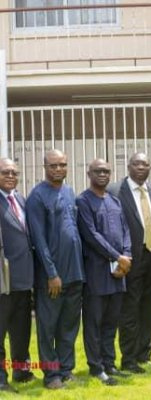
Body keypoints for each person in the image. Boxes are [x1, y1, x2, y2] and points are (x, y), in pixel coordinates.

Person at [26, 149, 85, 389]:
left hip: (74, 274)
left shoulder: (69, 192)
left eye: (62, 164)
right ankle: (51, 375)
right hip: (52, 278)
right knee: (48, 327)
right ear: (44, 167)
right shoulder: (37, 197)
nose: (59, 169)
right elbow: (39, 240)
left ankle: (66, 369)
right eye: (54, 165)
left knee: (69, 326)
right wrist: (51, 273)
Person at [77, 159, 132, 385]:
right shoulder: (83, 201)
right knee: (94, 323)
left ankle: (109, 363)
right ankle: (96, 367)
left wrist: (126, 257)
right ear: (89, 173)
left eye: (106, 171)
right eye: (98, 171)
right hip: (97, 273)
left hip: (119, 273)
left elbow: (126, 231)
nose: (103, 174)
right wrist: (117, 257)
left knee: (112, 322)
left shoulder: (114, 201)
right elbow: (91, 236)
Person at [108, 153, 151, 374]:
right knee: (129, 309)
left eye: (145, 164)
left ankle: (144, 355)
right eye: (136, 164)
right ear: (128, 167)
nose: (141, 167)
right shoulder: (115, 191)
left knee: (149, 309)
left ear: (150, 167)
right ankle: (128, 358)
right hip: (130, 258)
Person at [0, 158, 35, 393]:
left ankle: (21, 370)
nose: (11, 175)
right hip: (2, 279)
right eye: (5, 172)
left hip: (23, 278)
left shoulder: (20, 199)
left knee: (21, 328)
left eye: (14, 172)